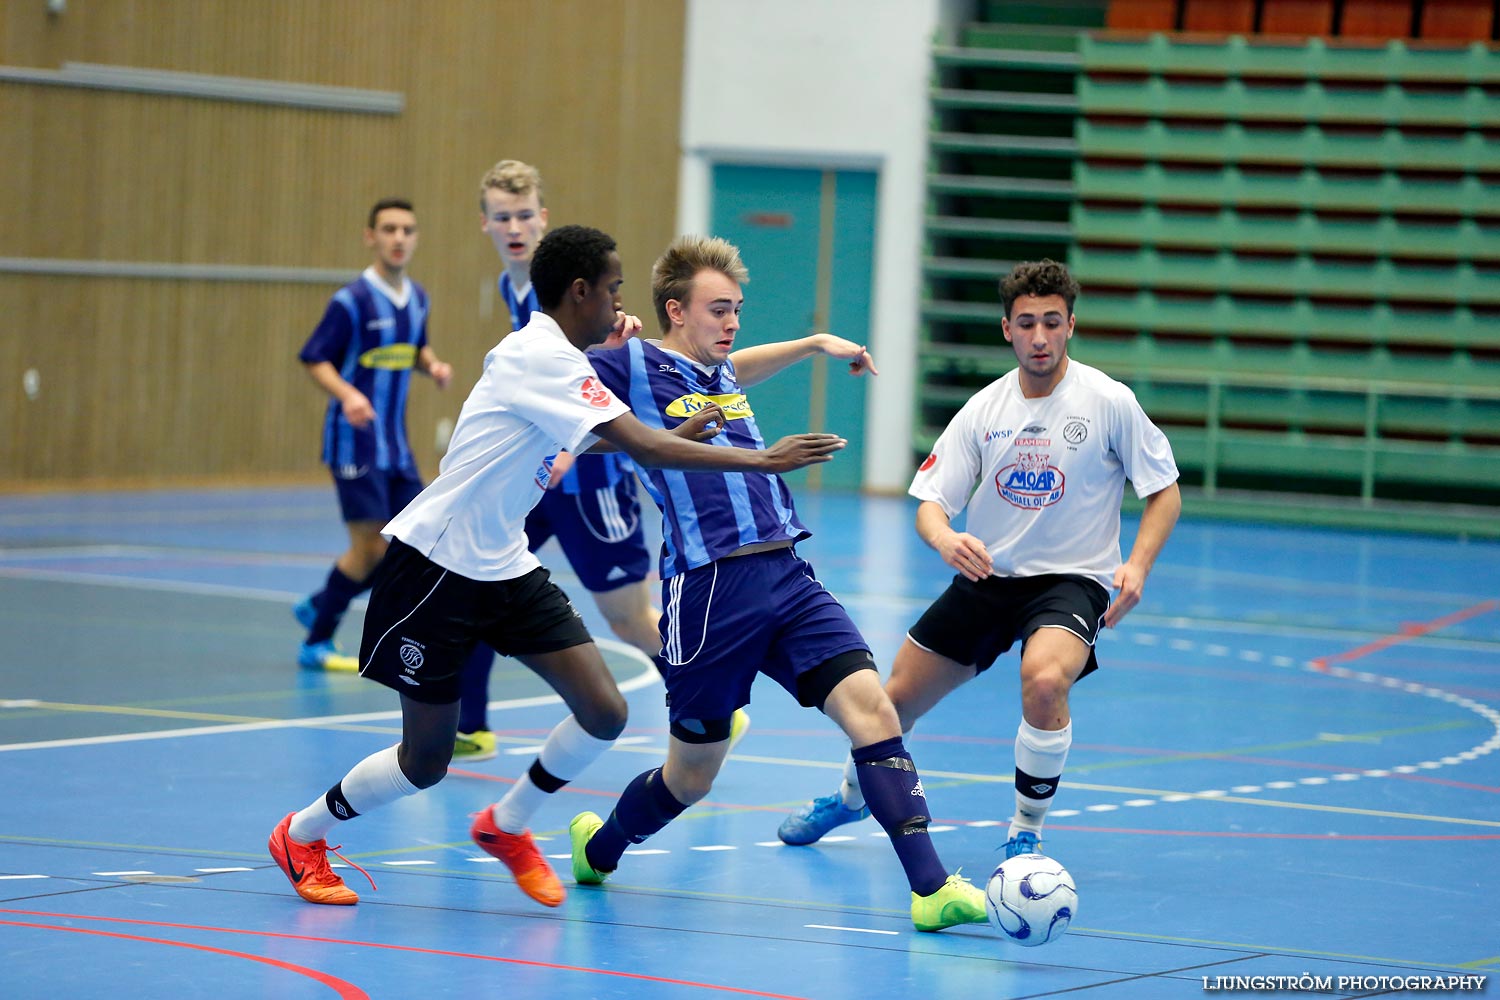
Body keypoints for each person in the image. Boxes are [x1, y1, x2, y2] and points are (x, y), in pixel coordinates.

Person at [268, 225, 843, 912]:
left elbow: (591, 441)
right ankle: (302, 834)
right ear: (580, 293)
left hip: (504, 564)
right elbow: (642, 449)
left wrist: (663, 437)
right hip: (436, 566)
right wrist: (761, 459)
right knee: (426, 761)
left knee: (604, 710)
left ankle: (506, 826)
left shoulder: (565, 362)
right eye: (613, 290)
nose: (620, 304)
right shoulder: (539, 357)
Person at [567, 235, 990, 933]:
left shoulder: (719, 370)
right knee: (690, 777)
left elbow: (742, 364)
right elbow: (546, 379)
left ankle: (931, 888)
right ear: (675, 309)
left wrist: (816, 341)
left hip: (788, 575)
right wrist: (595, 369)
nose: (732, 325)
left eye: (738, 310)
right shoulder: (631, 364)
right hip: (708, 592)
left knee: (873, 713)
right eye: (718, 311)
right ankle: (601, 846)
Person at [776, 258, 1182, 862]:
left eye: (1051, 322)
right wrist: (944, 539)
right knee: (888, 706)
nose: (1039, 337)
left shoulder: (1108, 402)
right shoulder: (984, 410)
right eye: (1026, 324)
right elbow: (929, 506)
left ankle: (1026, 829)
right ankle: (849, 797)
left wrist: (1139, 566)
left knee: (1045, 680)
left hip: (1072, 581)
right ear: (1006, 330)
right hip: (989, 577)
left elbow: (1164, 490)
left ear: (1071, 326)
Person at [457, 160, 747, 759]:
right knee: (478, 579)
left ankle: (704, 701)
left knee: (628, 618)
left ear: (542, 218)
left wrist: (616, 343)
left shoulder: (581, 289)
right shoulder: (514, 290)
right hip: (538, 475)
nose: (513, 227)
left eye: (523, 215)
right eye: (501, 217)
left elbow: (606, 368)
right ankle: (472, 724)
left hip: (589, 476)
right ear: (485, 224)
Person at [294, 198, 454, 671]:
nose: (399, 238)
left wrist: (433, 365)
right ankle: (316, 640)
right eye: (389, 229)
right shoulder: (351, 302)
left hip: (396, 445)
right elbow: (314, 357)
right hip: (354, 442)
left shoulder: (418, 298)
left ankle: (322, 601)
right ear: (371, 237)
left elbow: (415, 348)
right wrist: (348, 394)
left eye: (407, 229)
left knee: (418, 543)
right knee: (371, 550)